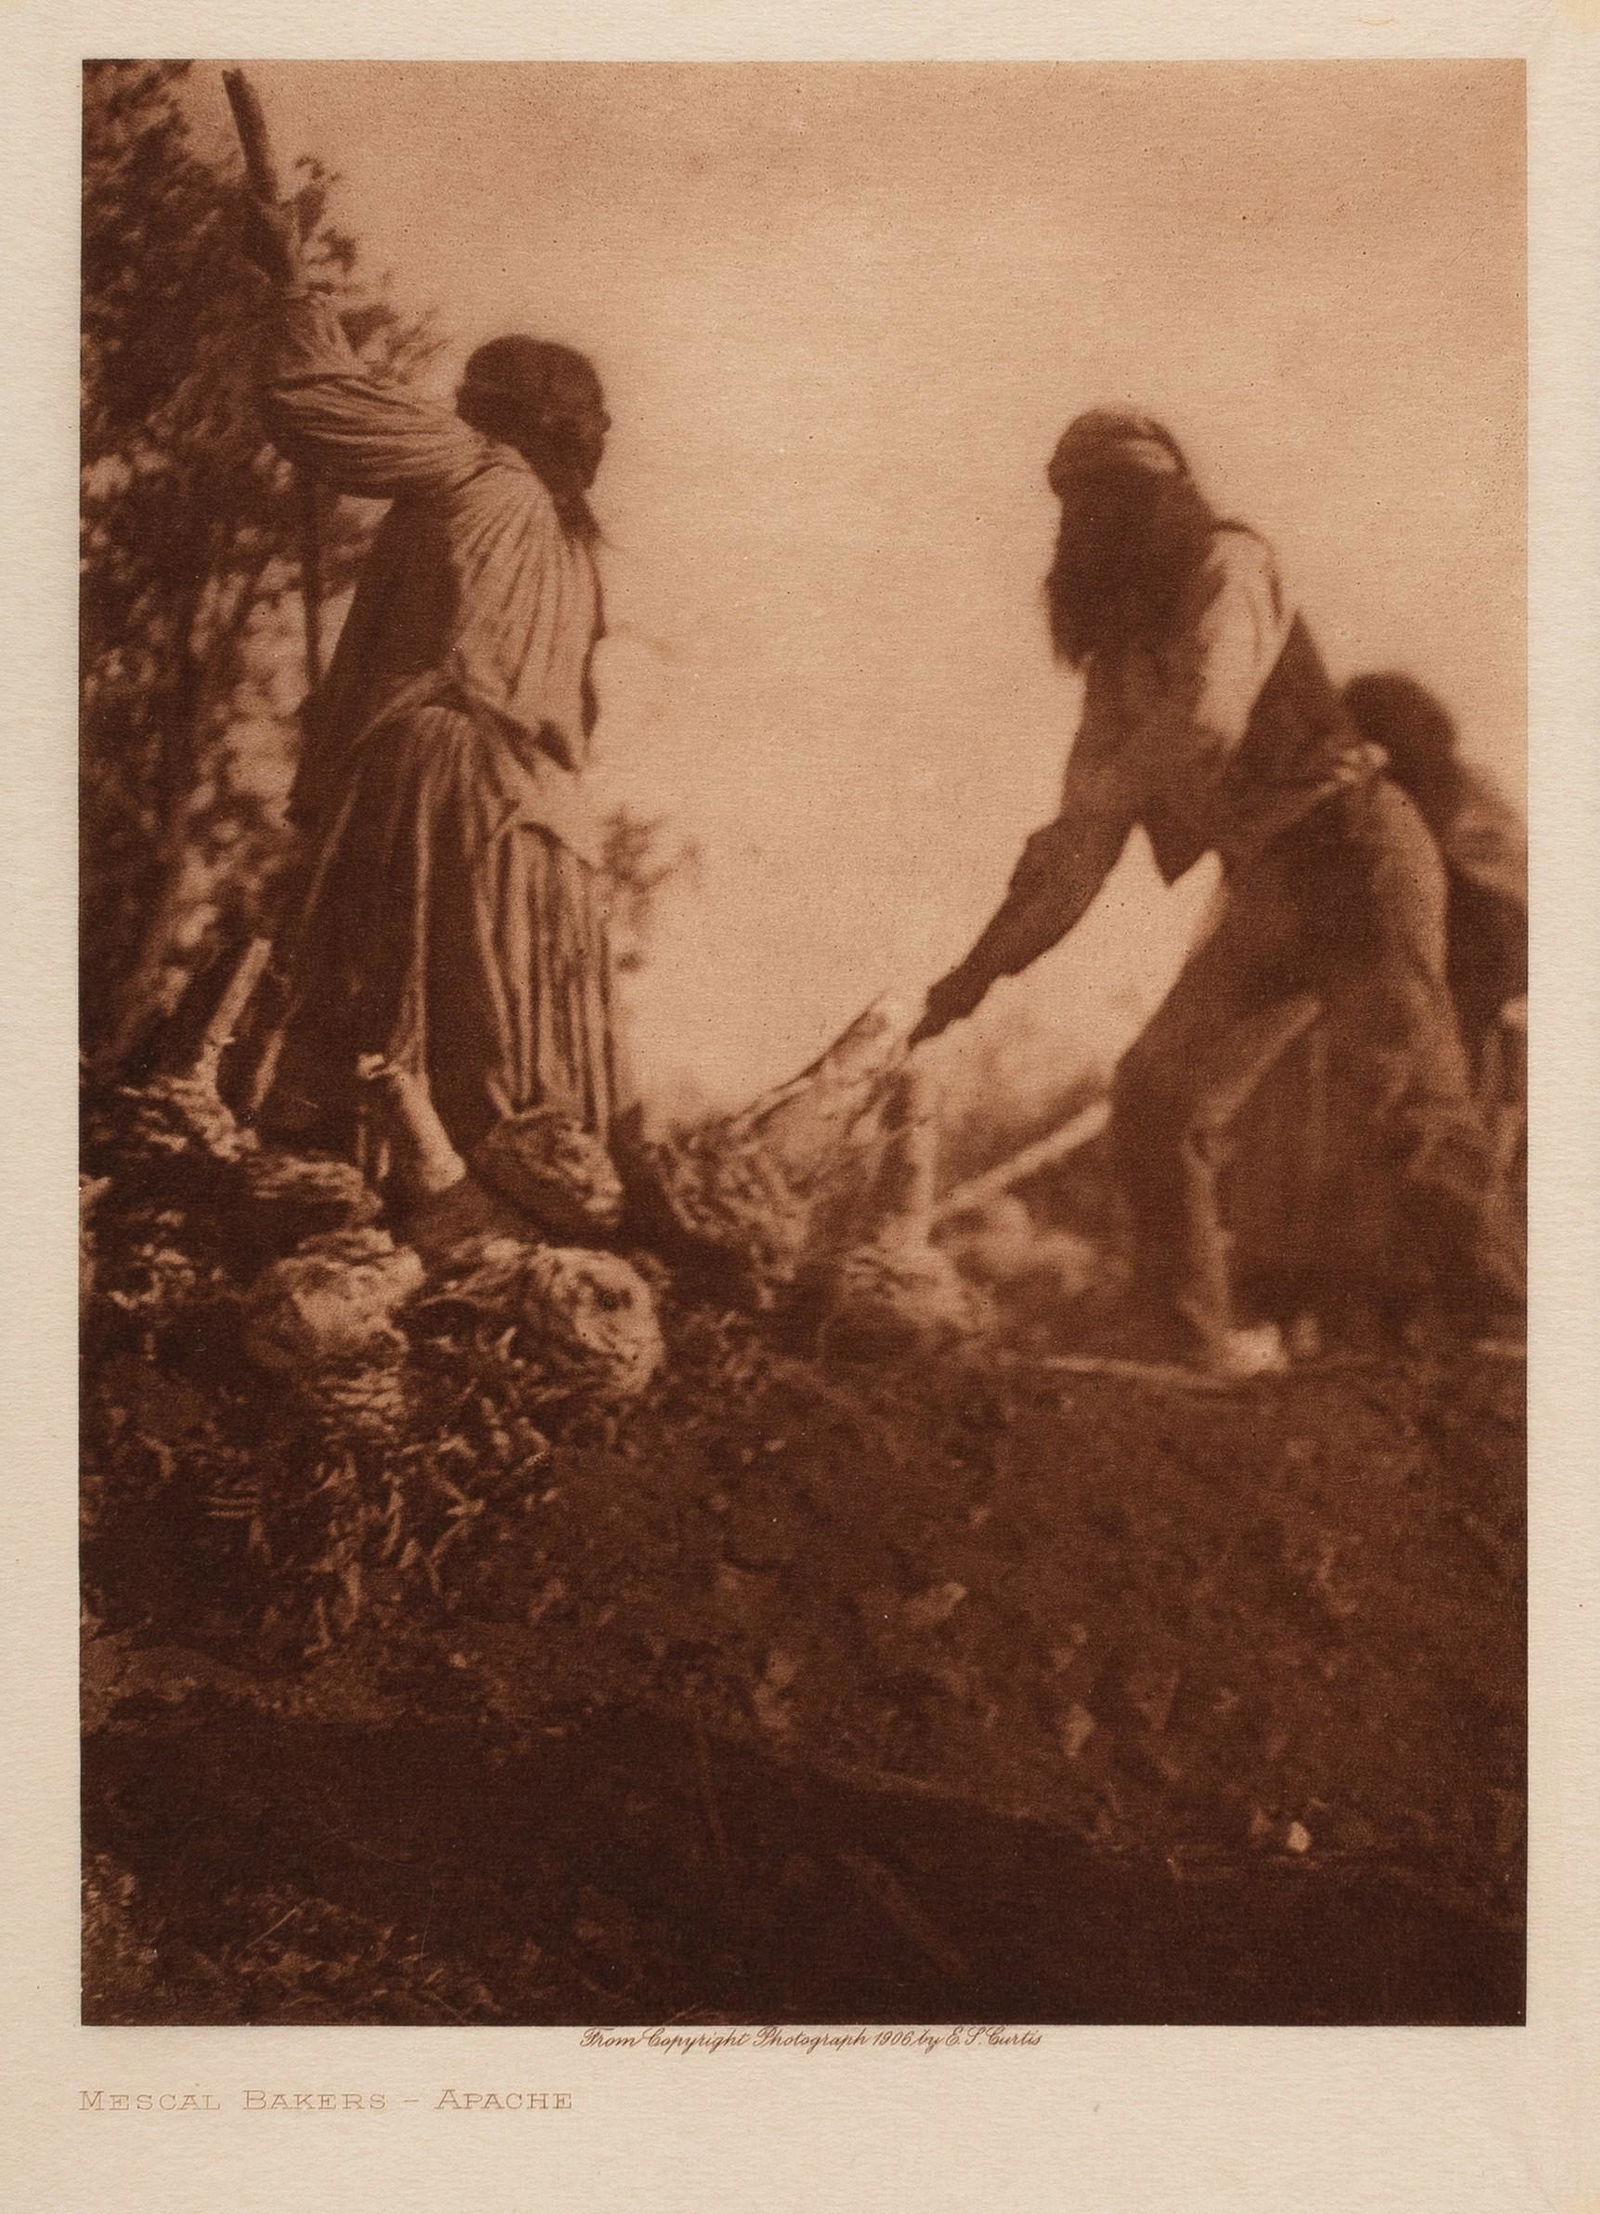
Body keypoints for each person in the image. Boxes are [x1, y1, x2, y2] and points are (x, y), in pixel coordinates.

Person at [909, 410, 1526, 1378]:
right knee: (1156, 1094)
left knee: (1405, 1090)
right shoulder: (1116, 660)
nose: (1094, 521)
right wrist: (975, 972)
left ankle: (1501, 1329)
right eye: (1077, 504)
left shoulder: (1229, 564)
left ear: (1164, 498)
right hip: (1270, 884)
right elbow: (1082, 838)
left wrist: (1111, 791)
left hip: (1353, 852)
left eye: (1116, 498)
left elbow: (1205, 717)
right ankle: (1189, 1341)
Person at [234, 198, 620, 1168]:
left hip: (443, 794)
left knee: (392, 1043)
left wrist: (289, 285)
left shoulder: (475, 467)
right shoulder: (575, 550)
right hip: (542, 828)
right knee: (505, 1059)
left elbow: (315, 403)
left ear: (491, 412)